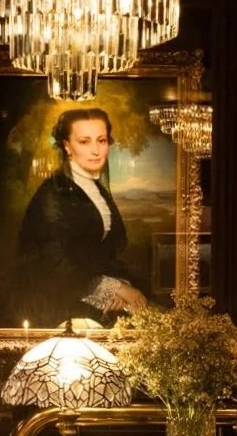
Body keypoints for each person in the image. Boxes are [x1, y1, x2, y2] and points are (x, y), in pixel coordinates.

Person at [15, 108, 148, 328]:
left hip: (91, 300)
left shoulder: (97, 190)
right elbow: (52, 263)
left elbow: (105, 253)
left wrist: (118, 287)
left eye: (102, 140)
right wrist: (114, 289)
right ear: (67, 146)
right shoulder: (52, 195)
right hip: (57, 304)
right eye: (84, 142)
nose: (96, 151)